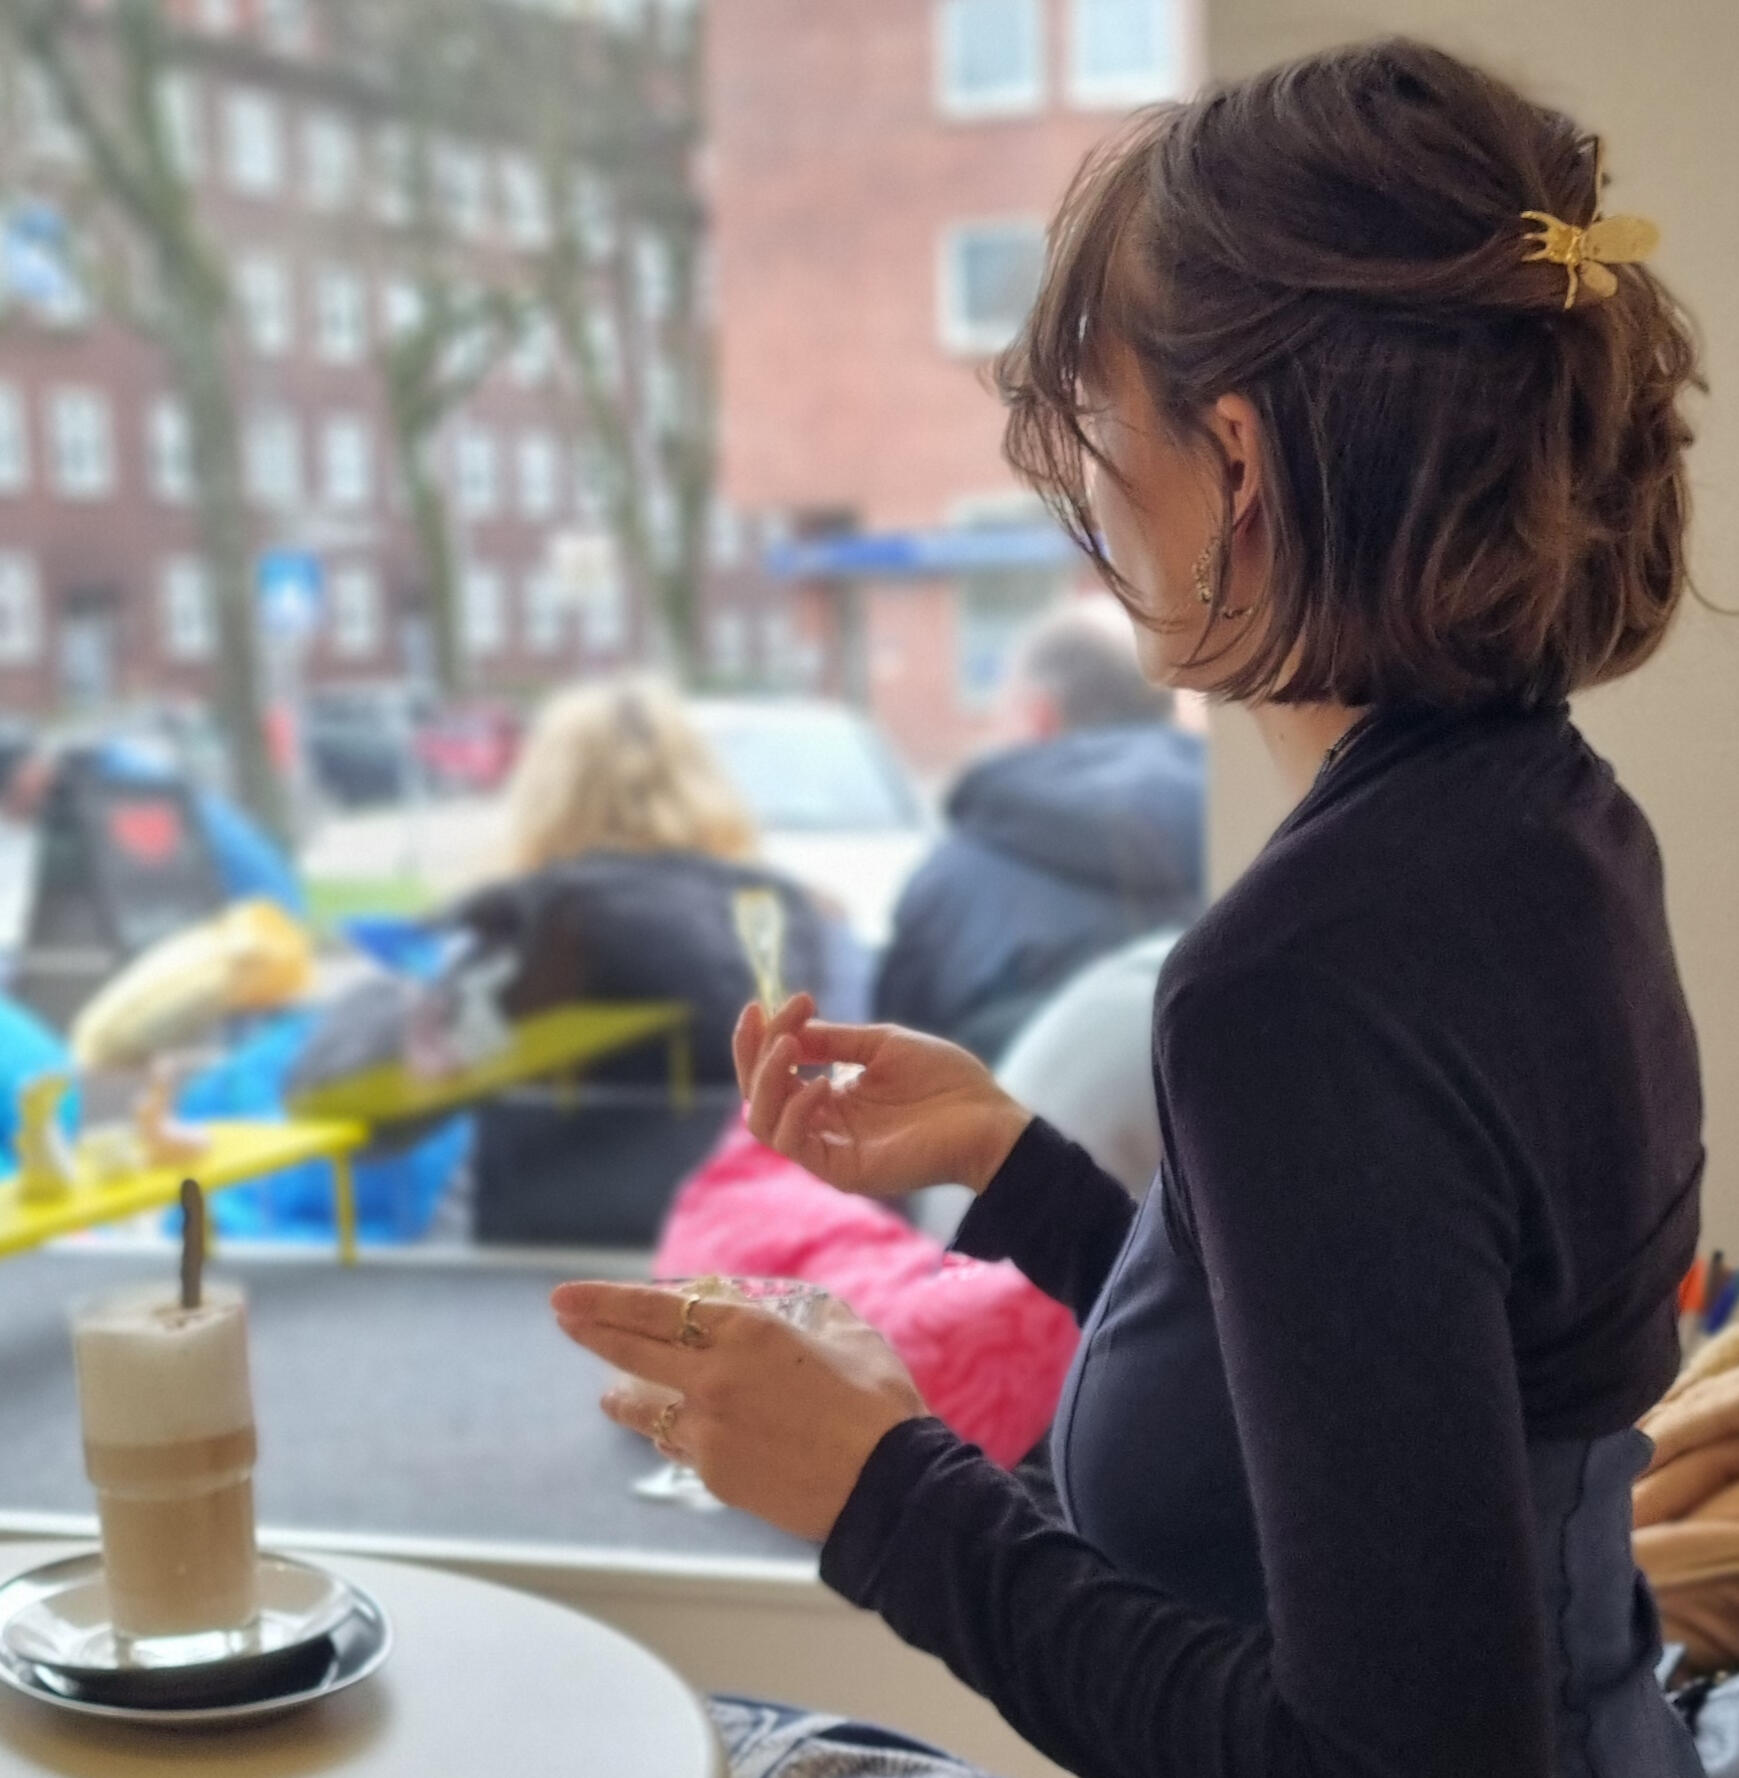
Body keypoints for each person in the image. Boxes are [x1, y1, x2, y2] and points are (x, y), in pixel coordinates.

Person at [553, 37, 1706, 1778]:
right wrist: (1017, 1172)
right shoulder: (1547, 825)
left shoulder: (1305, 974)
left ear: (1232, 463)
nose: (1085, 492)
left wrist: (874, 1483)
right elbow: (1371, 1416)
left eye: (1097, 425)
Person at [455, 675, 861, 1245]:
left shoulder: (499, 932)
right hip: (756, 1255)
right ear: (708, 788)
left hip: (537, 1255)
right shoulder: (806, 923)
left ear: (539, 797)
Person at [874, 595, 1201, 1061]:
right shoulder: (1254, 835)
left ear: (1039, 716)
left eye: (998, 714)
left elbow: (891, 1067)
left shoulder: (950, 883)